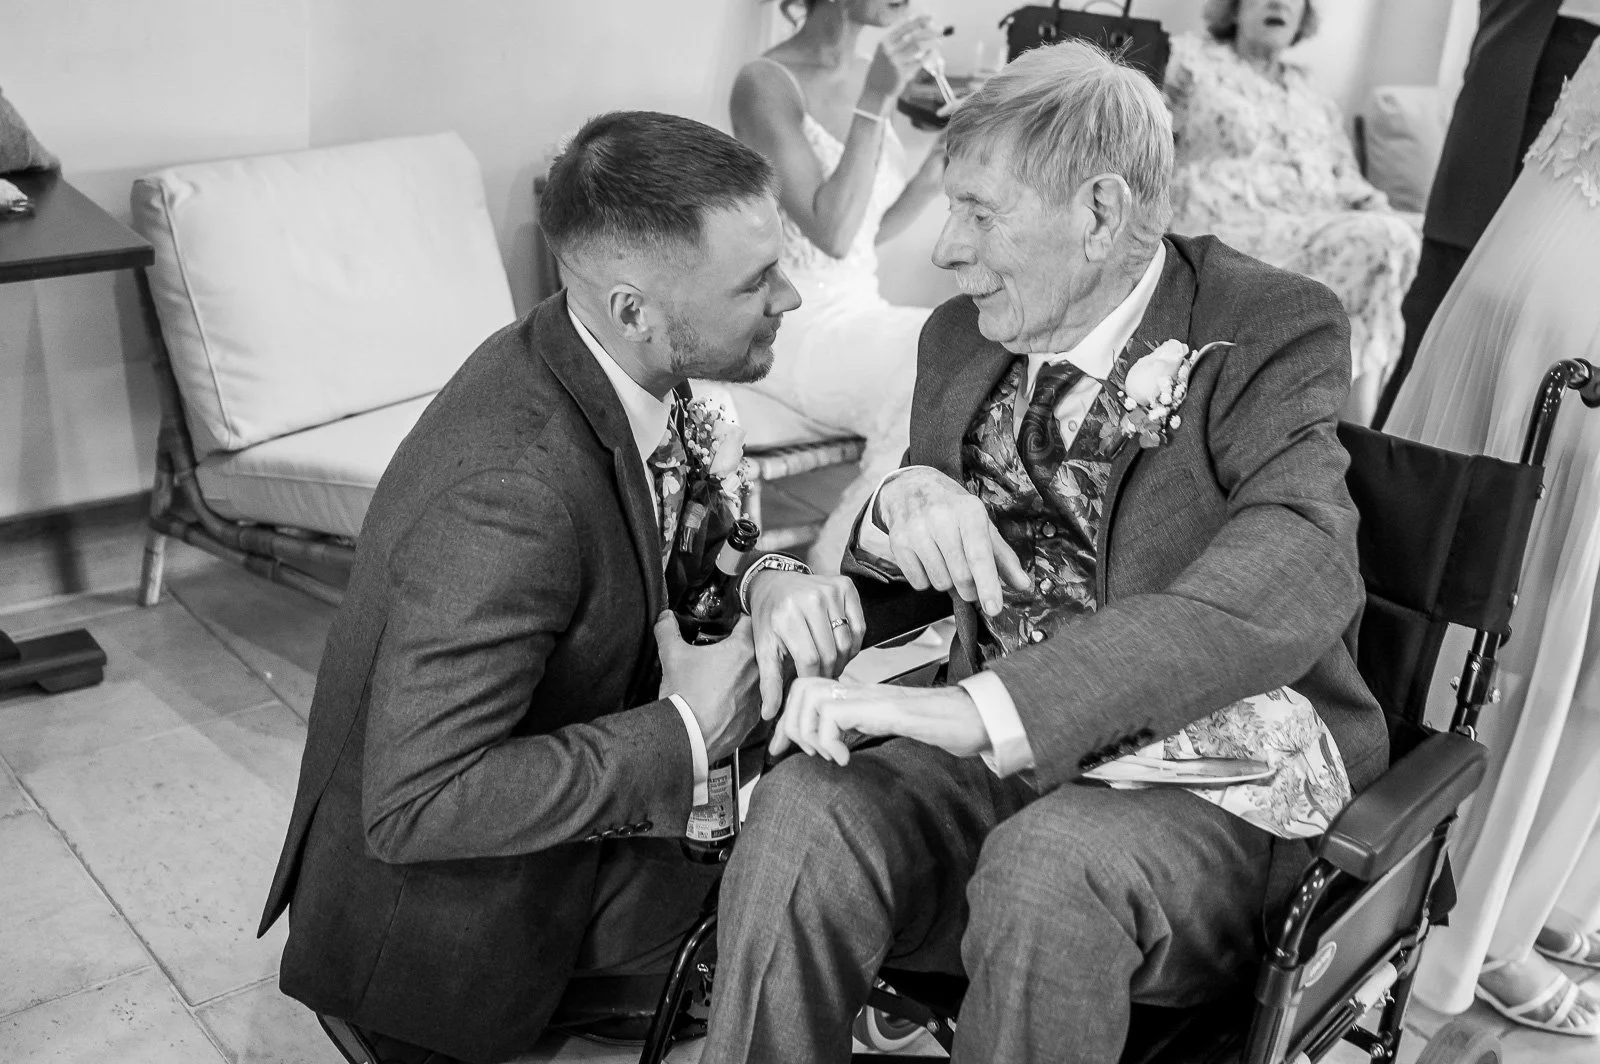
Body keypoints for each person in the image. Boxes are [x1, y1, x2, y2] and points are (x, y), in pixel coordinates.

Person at [700, 39, 1387, 1064]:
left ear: (1101, 214)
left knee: (1048, 866)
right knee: (803, 809)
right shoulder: (960, 338)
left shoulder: (1264, 328)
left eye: (979, 211)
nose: (946, 249)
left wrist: (976, 707)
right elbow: (894, 593)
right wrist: (900, 498)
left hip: (1214, 779)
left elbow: (1299, 565)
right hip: (1002, 757)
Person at [254, 111, 868, 1064]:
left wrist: (769, 579)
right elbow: (419, 801)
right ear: (634, 308)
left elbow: (686, 543)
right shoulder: (514, 491)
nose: (790, 295)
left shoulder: (610, 361)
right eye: (755, 281)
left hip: (561, 819)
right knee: (836, 857)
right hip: (455, 939)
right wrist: (685, 732)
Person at [1383, 37, 1600, 1038]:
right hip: (1571, 272)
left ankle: (1513, 897)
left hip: (1545, 236)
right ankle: (1470, 919)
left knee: (1536, 611)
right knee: (1531, 612)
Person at [730, 0, 949, 570]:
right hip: (794, 319)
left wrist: (932, 176)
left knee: (962, 339)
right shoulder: (763, 84)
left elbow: (862, 236)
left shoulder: (869, 72)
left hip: (862, 310)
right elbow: (830, 231)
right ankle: (844, 570)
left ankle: (895, 559)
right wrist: (875, 99)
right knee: (933, 358)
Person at [1164, 0, 1420, 423]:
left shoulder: (1310, 92)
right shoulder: (1189, 60)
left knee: (1397, 241)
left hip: (1313, 224)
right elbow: (1147, 138)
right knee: (1383, 243)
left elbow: (1346, 176)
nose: (1280, 3)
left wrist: (1388, 213)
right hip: (1227, 227)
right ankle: (1357, 427)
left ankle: (1343, 421)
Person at [1374, 0, 1600, 427]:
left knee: (1544, 341)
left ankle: (1506, 488)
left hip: (1574, 81)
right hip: (1520, 59)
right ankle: (1379, 477)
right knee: (1439, 312)